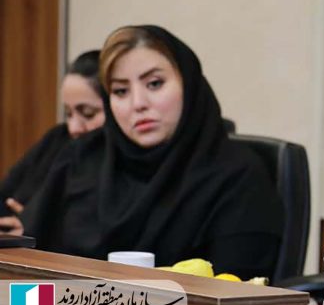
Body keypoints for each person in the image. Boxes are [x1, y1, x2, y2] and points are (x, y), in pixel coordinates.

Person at [16, 25, 283, 279]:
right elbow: (27, 269)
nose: (138, 103)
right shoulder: (82, 157)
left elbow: (233, 296)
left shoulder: (237, 177)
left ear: (188, 84)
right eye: (121, 91)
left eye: (154, 84)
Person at [0, 50, 104, 226]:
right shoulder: (58, 138)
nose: (74, 128)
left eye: (88, 113)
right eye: (68, 114)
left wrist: (32, 225)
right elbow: (5, 194)